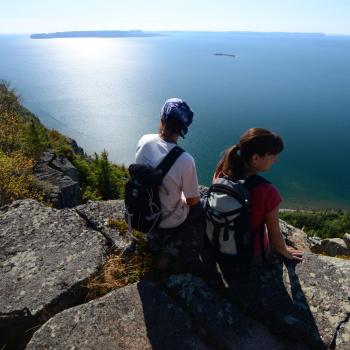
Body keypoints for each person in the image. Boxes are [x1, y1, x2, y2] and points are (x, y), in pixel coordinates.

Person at [213, 127, 302, 262]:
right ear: (255, 158)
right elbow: (275, 234)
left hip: (218, 242)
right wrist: (284, 250)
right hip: (249, 252)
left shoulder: (221, 170)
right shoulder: (268, 192)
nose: (276, 160)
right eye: (273, 155)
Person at [135, 98, 204, 247]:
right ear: (183, 129)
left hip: (143, 210)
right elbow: (193, 201)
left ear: (162, 120)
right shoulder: (185, 160)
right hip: (168, 222)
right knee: (201, 204)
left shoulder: (144, 140)